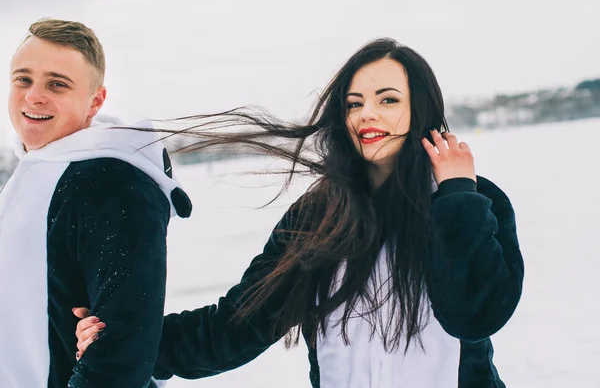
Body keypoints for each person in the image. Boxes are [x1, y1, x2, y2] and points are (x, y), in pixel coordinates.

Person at [74, 38, 524, 387]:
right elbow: (238, 326)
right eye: (354, 103)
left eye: (388, 100)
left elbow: (475, 315)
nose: (367, 114)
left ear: (420, 109)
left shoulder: (470, 203)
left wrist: (458, 192)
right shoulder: (319, 216)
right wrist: (127, 342)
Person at [0, 18, 191, 387]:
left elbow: (123, 350)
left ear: (95, 101)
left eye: (57, 84)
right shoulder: (36, 169)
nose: (33, 96)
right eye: (23, 79)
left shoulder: (109, 184)